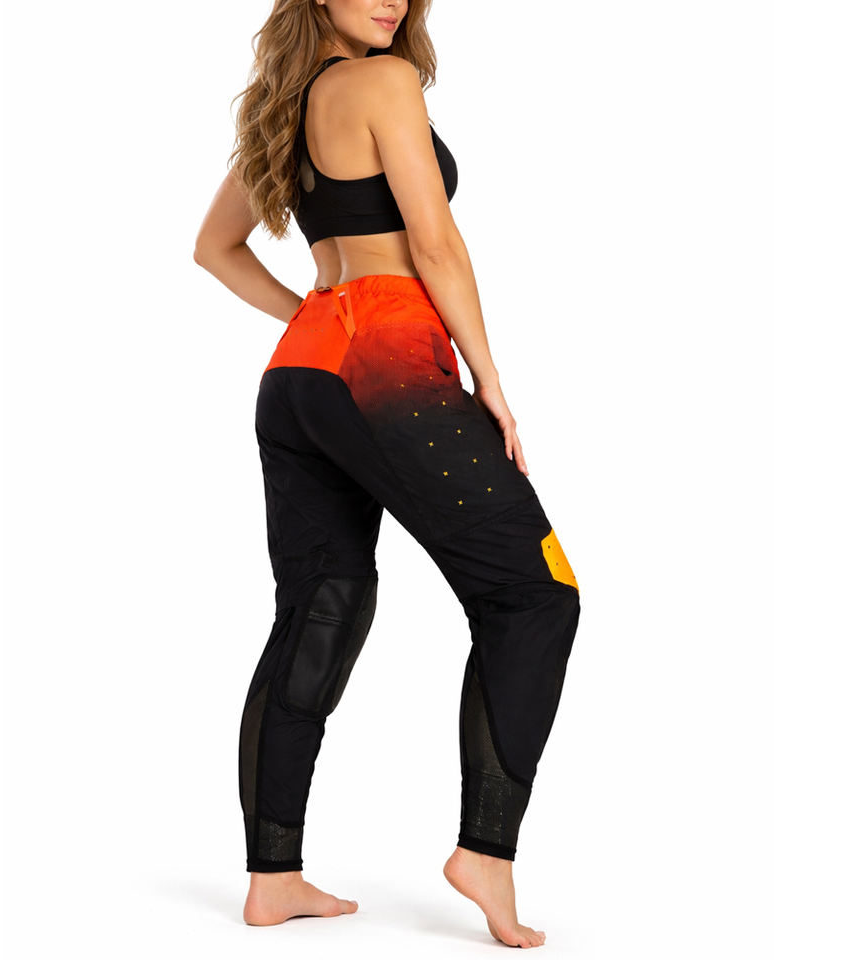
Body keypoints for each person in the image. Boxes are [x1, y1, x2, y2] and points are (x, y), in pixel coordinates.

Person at [193, 1, 580, 948]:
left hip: (300, 379)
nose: (393, 1)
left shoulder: (281, 104)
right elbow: (435, 241)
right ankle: (485, 851)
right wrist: (491, 381)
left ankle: (272, 877)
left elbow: (214, 249)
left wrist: (310, 314)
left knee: (320, 606)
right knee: (534, 594)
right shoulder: (386, 80)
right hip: (387, 365)